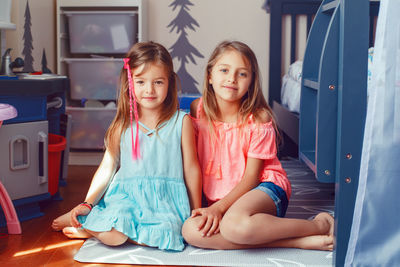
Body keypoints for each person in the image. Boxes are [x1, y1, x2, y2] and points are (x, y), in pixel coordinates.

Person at [182, 40, 334, 251]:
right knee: (190, 231)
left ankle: (318, 225)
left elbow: (251, 178)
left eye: (242, 74)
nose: (231, 79)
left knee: (234, 226)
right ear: (210, 75)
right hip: (223, 201)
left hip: (262, 188)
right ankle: (295, 242)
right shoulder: (197, 109)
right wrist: (206, 209)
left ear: (251, 81)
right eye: (224, 70)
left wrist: (218, 208)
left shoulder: (258, 118)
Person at [52, 41, 202, 251]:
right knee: (116, 235)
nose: (149, 90)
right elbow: (107, 167)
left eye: (158, 82)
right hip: (126, 200)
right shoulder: (122, 124)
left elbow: (191, 168)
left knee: (171, 234)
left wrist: (197, 209)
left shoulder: (181, 122)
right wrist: (88, 203)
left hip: (166, 201)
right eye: (140, 82)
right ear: (129, 82)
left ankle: (93, 228)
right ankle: (88, 219)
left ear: (170, 83)